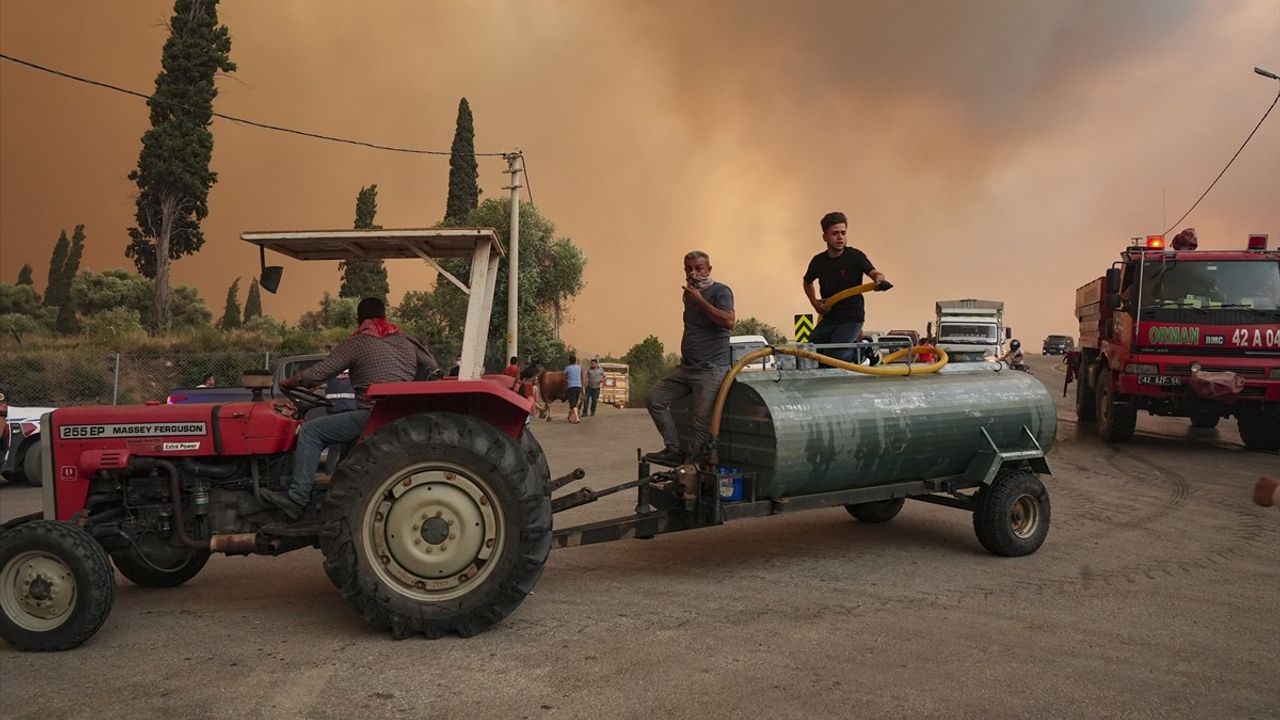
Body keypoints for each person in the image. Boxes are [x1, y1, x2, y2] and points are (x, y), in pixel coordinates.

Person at [260, 297, 437, 519]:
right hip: (399, 415)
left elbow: (318, 374)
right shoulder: (405, 340)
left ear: (359, 319)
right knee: (345, 448)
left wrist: (290, 382)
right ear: (384, 316)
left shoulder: (358, 342)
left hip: (372, 415)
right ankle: (331, 497)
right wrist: (410, 386)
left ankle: (296, 497)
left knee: (310, 431)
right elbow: (431, 366)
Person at [644, 250, 735, 466]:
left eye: (698, 268)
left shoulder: (720, 291)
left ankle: (692, 467)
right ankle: (674, 450)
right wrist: (694, 298)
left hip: (711, 369)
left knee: (701, 422)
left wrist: (700, 301)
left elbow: (729, 321)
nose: (693, 273)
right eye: (688, 269)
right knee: (654, 399)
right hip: (688, 368)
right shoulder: (689, 294)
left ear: (709, 269)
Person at [803, 211, 889, 363]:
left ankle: (864, 349)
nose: (840, 237)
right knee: (813, 351)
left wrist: (879, 280)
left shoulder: (855, 257)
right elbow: (807, 282)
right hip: (829, 317)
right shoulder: (818, 261)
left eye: (843, 232)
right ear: (825, 237)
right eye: (835, 233)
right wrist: (815, 303)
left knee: (837, 357)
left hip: (851, 317)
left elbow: (875, 273)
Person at [322, 370, 358, 475]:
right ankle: (341, 473)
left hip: (334, 408)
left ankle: (331, 473)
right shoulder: (355, 364)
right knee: (349, 445)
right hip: (351, 408)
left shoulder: (334, 366)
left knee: (335, 445)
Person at [563, 354, 583, 423]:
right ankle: (571, 417)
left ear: (569, 361)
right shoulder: (579, 367)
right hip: (578, 386)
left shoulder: (567, 368)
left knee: (573, 404)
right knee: (574, 402)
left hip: (571, 386)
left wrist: (568, 379)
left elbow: (564, 377)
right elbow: (581, 375)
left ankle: (577, 418)